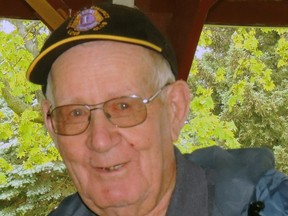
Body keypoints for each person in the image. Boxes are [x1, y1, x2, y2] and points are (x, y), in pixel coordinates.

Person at [26, 2, 288, 216]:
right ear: (51, 126)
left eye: (123, 106)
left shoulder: (266, 205)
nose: (100, 140)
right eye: (75, 113)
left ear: (175, 109)